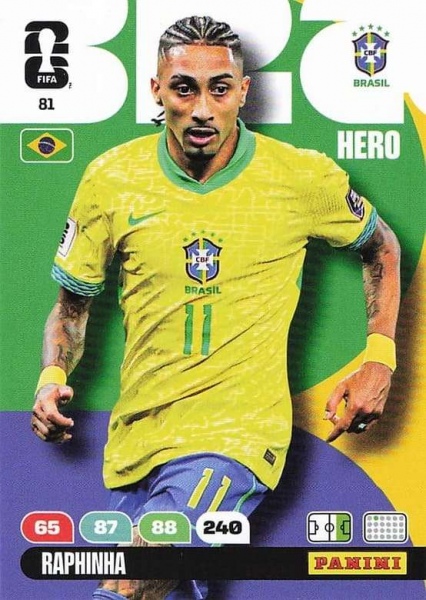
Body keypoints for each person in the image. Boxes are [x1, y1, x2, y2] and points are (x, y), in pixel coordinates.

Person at [31, 15, 401, 600]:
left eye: (219, 89)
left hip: (238, 436)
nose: (202, 108)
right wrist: (52, 377)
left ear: (243, 92)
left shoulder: (299, 177)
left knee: (136, 573)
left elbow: (380, 247)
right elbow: (71, 306)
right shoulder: (111, 180)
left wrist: (378, 359)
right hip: (138, 440)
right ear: (157, 90)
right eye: (184, 89)